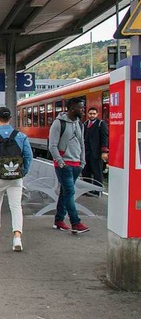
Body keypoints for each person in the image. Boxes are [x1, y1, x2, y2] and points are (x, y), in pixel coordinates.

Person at [0, 107, 33, 251]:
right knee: (16, 206)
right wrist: (23, 171)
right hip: (16, 177)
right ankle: (17, 237)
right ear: (10, 119)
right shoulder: (21, 136)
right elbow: (28, 157)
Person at [48, 97, 89, 234]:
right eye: (80, 107)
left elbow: (82, 144)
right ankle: (75, 222)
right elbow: (52, 145)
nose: (83, 110)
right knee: (70, 192)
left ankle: (59, 220)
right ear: (72, 108)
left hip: (76, 164)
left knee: (65, 193)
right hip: (64, 165)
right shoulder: (58, 123)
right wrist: (60, 162)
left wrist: (82, 162)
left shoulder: (80, 124)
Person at [82, 107, 108, 196]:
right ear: (88, 114)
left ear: (97, 114)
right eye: (90, 113)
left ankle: (97, 191)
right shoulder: (85, 124)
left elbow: (104, 138)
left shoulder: (101, 124)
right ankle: (87, 190)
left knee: (97, 172)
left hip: (96, 153)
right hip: (86, 152)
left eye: (94, 114)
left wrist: (104, 151)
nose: (92, 115)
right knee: (86, 171)